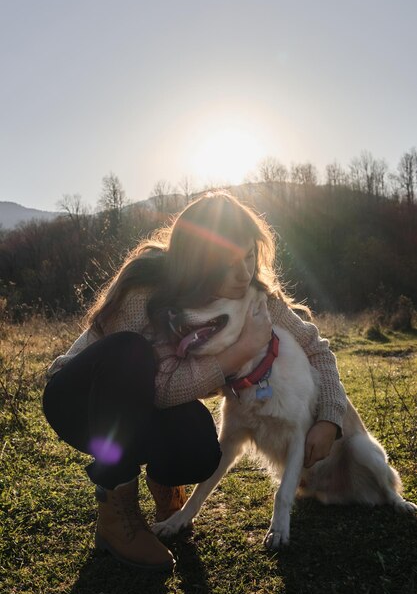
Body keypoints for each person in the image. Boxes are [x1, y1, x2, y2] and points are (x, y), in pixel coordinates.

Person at [43, 190, 346, 571]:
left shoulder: (256, 296)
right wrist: (237, 354)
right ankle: (116, 508)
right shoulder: (146, 286)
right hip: (80, 401)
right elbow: (159, 386)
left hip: (143, 406)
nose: (242, 274)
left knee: (201, 447)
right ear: (197, 259)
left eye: (248, 256)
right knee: (130, 352)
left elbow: (316, 347)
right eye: (225, 261)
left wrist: (329, 418)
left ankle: (163, 482)